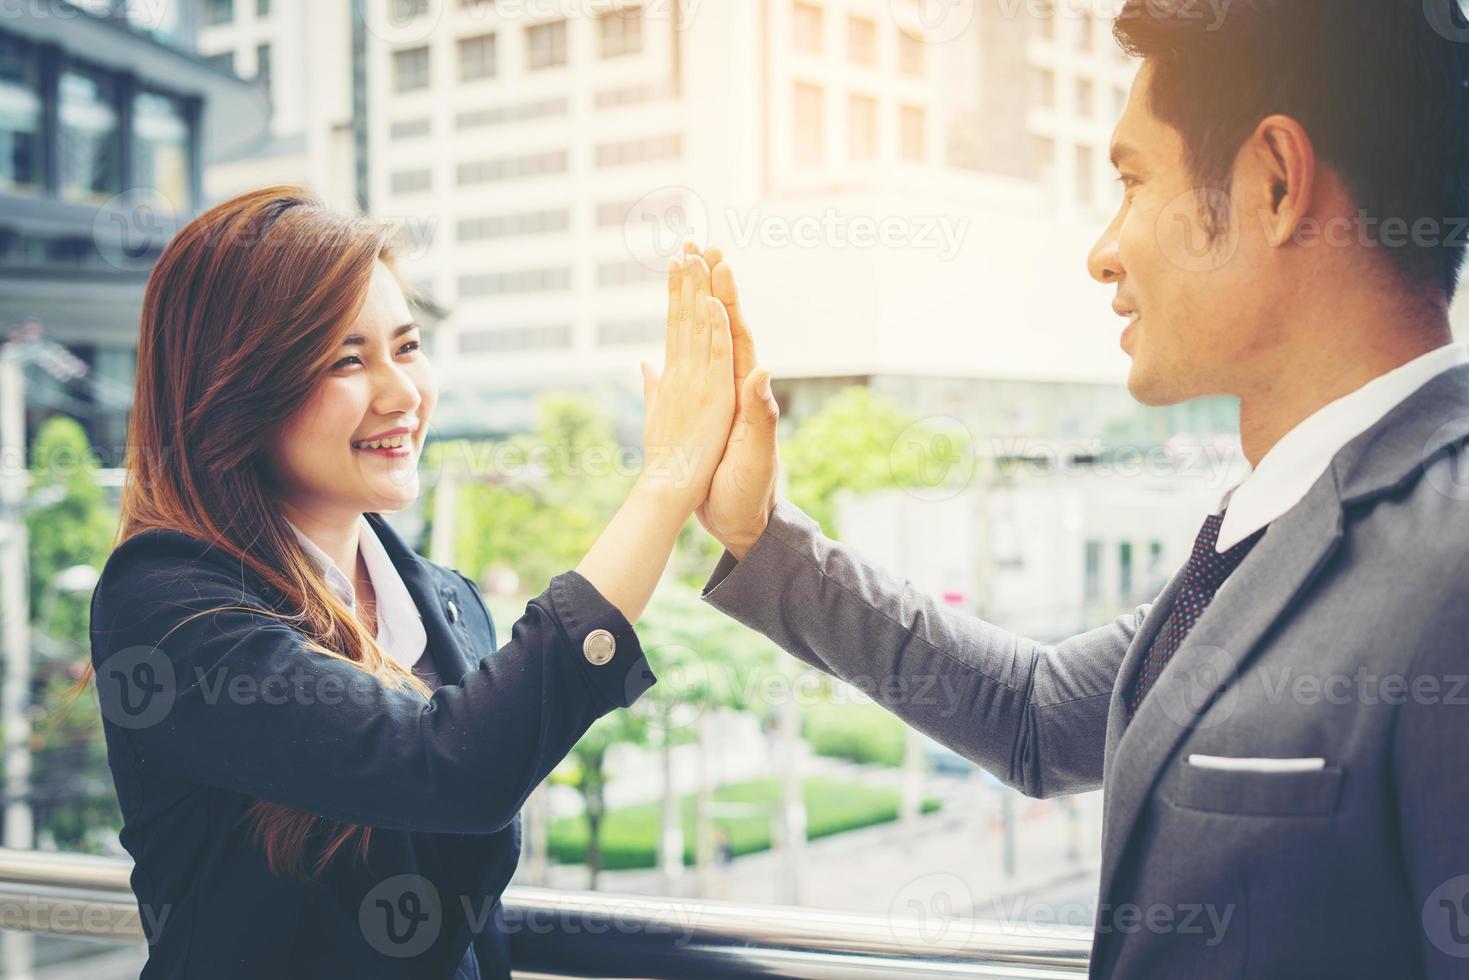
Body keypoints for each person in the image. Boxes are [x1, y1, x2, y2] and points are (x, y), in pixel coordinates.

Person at [691, 2, 1469, 977]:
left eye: (1132, 180)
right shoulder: (1267, 529)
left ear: (1274, 181)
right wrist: (760, 537)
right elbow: (1035, 712)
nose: (1102, 249)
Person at [78, 185, 735, 978]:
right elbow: (452, 771)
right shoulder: (166, 601)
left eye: (408, 347)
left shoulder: (452, 603)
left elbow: (471, 928)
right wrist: (663, 487)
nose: (401, 395)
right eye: (346, 359)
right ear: (239, 388)